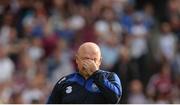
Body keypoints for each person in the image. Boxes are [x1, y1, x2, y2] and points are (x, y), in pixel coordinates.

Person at [47, 42, 122, 104]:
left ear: (100, 61)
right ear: (77, 59)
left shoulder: (110, 77)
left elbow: (115, 99)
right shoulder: (65, 82)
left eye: (94, 60)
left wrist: (96, 73)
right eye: (85, 59)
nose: (89, 63)